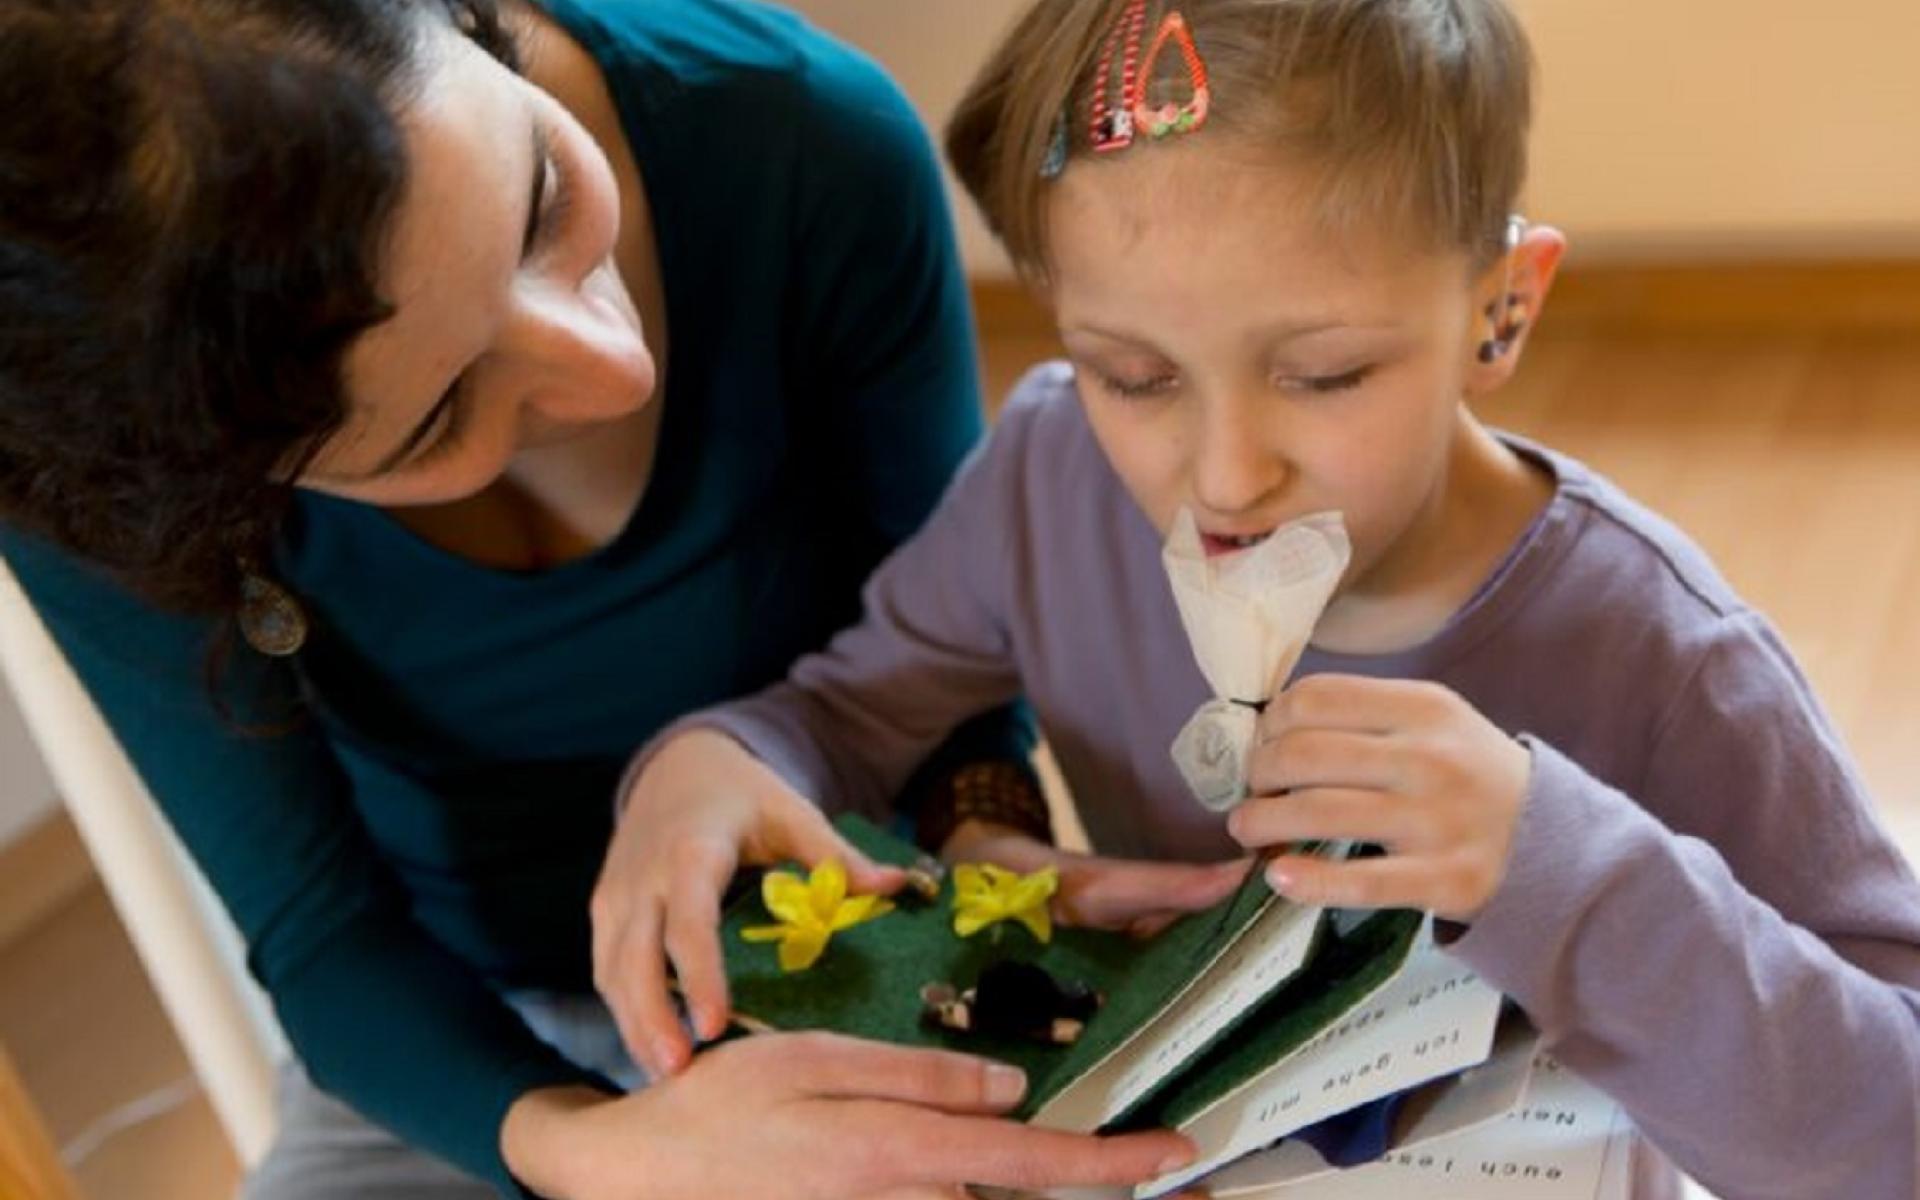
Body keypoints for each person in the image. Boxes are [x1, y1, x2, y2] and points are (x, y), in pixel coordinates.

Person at [610, 1, 1920, 1196]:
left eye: (1328, 375)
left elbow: (1892, 1125)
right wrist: (716, 758)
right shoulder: (1051, 477)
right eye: (1135, 375)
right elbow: (847, 713)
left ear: (1500, 314)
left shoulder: (1663, 657)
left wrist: (1558, 867)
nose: (1228, 475)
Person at [0, 0, 1208, 1195]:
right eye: (439, 417)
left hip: (866, 934)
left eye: (540, 198)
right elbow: (324, 933)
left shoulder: (797, 142)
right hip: (470, 1036)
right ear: (207, 504)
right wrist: (600, 1152)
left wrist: (983, 850)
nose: (612, 363)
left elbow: (946, 669)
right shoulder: (106, 447)